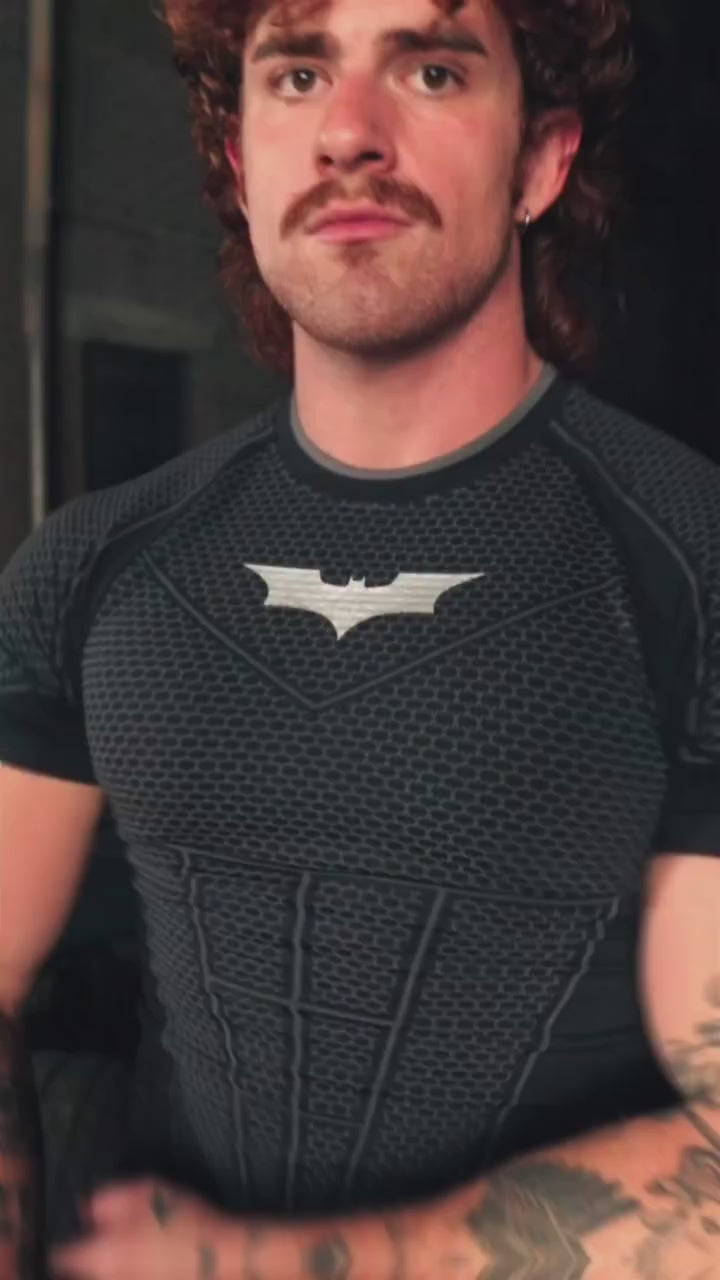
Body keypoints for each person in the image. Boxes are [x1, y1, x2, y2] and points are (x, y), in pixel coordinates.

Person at [1, 0, 719, 1276]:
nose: (348, 132)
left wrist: (279, 1261)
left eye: (431, 70)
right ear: (241, 165)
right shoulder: (94, 559)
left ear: (541, 161)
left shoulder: (688, 556)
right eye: (296, 75)